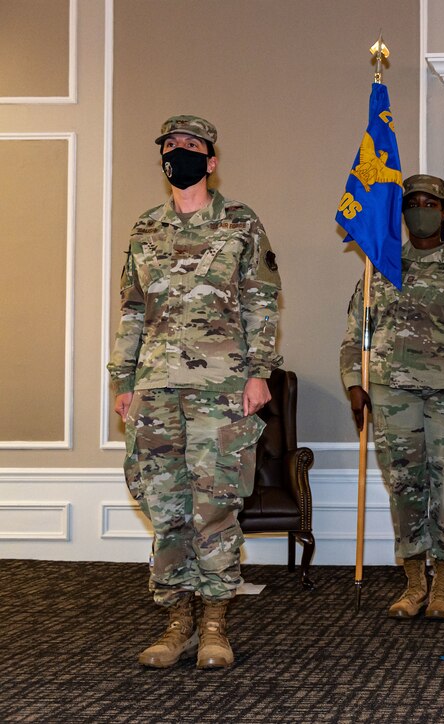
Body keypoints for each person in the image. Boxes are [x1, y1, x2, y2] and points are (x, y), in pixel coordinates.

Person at [109, 115, 282, 669]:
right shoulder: (145, 228)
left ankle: (214, 623)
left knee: (215, 504)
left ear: (210, 161)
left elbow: (262, 301)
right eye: (169, 145)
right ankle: (176, 619)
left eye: (190, 145)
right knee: (165, 506)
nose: (177, 152)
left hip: (221, 387)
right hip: (156, 387)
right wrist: (122, 379)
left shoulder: (239, 222)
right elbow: (133, 310)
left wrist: (260, 372)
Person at [341, 174, 444, 621]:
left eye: (430, 203)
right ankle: (413, 582)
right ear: (402, 214)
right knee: (404, 486)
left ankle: (443, 581)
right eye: (413, 203)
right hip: (392, 391)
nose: (421, 210)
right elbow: (354, 335)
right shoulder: (381, 265)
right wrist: (353, 383)